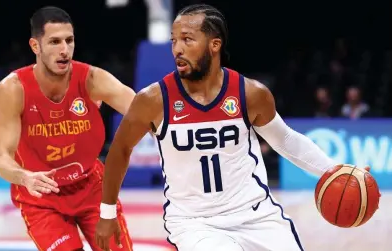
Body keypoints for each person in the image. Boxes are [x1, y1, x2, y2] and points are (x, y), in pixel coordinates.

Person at [95, 4, 371, 251]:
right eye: (174, 40)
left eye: (187, 39)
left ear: (214, 45)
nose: (177, 48)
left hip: (256, 214)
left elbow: (285, 140)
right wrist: (107, 213)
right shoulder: (153, 100)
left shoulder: (250, 94)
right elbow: (120, 149)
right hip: (195, 222)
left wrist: (335, 170)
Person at [0, 6, 134, 251]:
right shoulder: (14, 89)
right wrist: (24, 177)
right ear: (35, 46)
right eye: (55, 42)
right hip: (41, 196)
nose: (64, 50)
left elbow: (142, 111)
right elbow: (2, 159)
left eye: (69, 41)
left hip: (91, 188)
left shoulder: (91, 79)